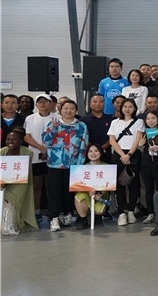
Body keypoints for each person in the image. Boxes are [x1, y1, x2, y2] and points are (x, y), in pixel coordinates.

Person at [42, 100, 89, 231]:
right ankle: (54, 217)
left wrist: (79, 164)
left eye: (72, 108)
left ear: (76, 110)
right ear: (60, 110)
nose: (69, 111)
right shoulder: (53, 123)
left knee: (69, 192)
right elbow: (46, 141)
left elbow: (84, 145)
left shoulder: (81, 126)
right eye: (66, 108)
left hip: (73, 164)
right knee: (54, 192)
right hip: (55, 164)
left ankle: (67, 213)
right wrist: (53, 128)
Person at [107, 98, 145, 227]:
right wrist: (122, 155)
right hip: (118, 155)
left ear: (134, 109)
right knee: (119, 184)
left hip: (133, 155)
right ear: (121, 108)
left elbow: (138, 139)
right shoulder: (115, 122)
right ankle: (121, 213)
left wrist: (129, 155)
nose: (127, 109)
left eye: (130, 106)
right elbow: (112, 141)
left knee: (134, 183)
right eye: (125, 106)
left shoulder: (139, 122)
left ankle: (131, 211)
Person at [24, 94, 59, 219]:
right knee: (36, 184)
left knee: (51, 184)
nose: (43, 104)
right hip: (35, 155)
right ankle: (36, 211)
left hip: (53, 156)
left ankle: (52, 211)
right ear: (36, 104)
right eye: (40, 102)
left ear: (51, 103)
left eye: (45, 101)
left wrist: (48, 150)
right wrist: (41, 148)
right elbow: (26, 136)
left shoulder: (57, 118)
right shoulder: (30, 118)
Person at [0, 128, 38, 232]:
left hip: (20, 182)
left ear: (21, 141)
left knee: (13, 199)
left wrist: (7, 181)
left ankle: (14, 224)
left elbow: (23, 172)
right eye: (8, 139)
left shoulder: (27, 152)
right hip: (3, 181)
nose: (10, 142)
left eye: (14, 140)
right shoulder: (2, 151)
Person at [72, 143, 110, 230]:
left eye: (96, 151)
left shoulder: (107, 167)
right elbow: (78, 185)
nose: (93, 154)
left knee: (99, 211)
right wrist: (88, 191)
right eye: (90, 151)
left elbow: (109, 184)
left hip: (100, 196)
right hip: (86, 194)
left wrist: (99, 194)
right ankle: (83, 219)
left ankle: (97, 216)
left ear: (101, 152)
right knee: (79, 196)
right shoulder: (82, 168)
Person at [138, 110, 158, 224]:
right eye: (148, 119)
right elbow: (140, 149)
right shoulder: (143, 133)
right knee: (148, 189)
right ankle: (150, 213)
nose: (150, 121)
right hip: (146, 164)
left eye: (153, 118)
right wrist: (140, 145)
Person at [80, 94, 113, 162]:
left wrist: (103, 147)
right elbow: (82, 136)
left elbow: (113, 136)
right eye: (95, 102)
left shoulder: (110, 119)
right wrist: (93, 148)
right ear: (90, 104)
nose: (98, 104)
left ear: (104, 104)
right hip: (89, 153)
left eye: (101, 102)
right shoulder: (83, 120)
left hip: (106, 152)